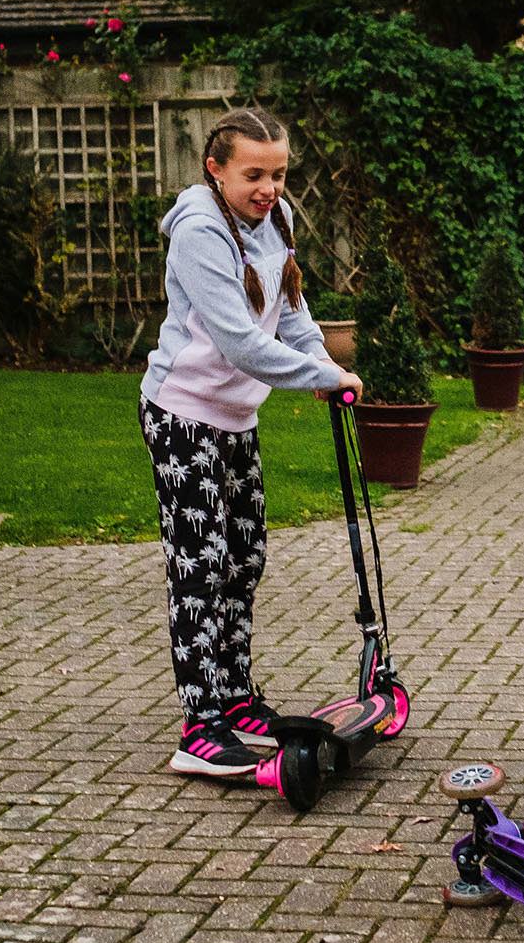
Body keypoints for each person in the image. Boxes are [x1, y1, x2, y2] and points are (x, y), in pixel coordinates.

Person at [138, 106, 361, 779]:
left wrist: (320, 361)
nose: (269, 187)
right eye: (253, 174)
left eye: (279, 173)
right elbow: (239, 340)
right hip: (183, 415)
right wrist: (323, 372)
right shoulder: (201, 231)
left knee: (244, 557)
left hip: (235, 418)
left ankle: (235, 699)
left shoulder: (278, 218)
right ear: (216, 168)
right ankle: (199, 722)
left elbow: (290, 310)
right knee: (199, 563)